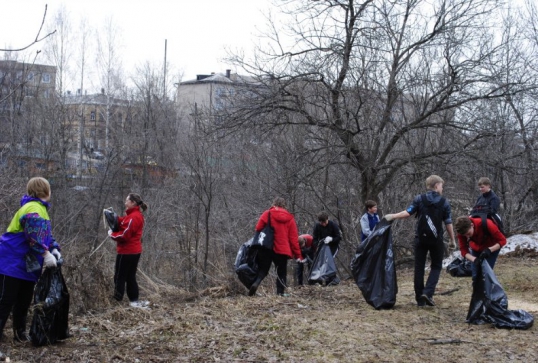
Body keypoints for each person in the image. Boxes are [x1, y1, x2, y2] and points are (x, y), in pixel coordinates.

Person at [0, 177, 61, 359]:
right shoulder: (33, 208)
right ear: (45, 191)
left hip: (26, 265)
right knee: (5, 301)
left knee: (23, 300)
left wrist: (54, 248)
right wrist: (45, 254)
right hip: (11, 262)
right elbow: (34, 236)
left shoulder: (39, 208)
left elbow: (45, 235)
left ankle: (19, 334)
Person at [384, 175, 455, 307]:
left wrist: (393, 216)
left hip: (420, 239)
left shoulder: (419, 199)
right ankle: (428, 293)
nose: (442, 188)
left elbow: (407, 213)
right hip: (436, 240)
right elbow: (448, 222)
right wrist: (452, 239)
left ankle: (419, 299)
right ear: (436, 186)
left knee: (419, 267)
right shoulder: (444, 202)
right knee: (436, 266)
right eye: (441, 185)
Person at [249, 197, 303, 297]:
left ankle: (256, 283)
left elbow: (258, 227)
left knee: (263, 269)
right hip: (282, 250)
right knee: (281, 272)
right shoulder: (290, 218)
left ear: (274, 204)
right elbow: (293, 239)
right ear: (284, 205)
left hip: (267, 247)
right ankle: (280, 294)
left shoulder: (268, 213)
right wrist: (298, 255)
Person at [108, 193, 149, 308]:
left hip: (127, 252)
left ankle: (117, 301)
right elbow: (124, 222)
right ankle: (134, 301)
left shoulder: (134, 217)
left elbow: (125, 235)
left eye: (127, 200)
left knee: (119, 277)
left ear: (133, 203)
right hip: (133, 251)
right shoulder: (133, 215)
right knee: (130, 277)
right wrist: (115, 218)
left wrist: (112, 234)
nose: (125, 202)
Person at [454, 215, 506, 281]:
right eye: (465, 235)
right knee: (475, 274)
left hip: (492, 247)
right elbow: (463, 250)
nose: (467, 236)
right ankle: (477, 290)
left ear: (472, 225)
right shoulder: (462, 232)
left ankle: (488, 290)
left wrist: (489, 250)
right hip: (476, 248)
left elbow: (503, 240)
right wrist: (474, 259)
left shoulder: (487, 224)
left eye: (468, 234)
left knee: (486, 273)